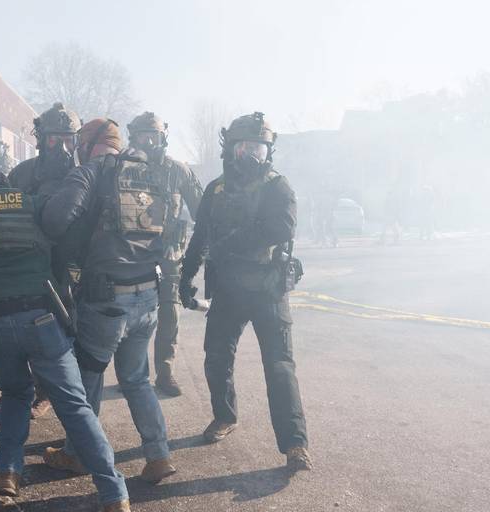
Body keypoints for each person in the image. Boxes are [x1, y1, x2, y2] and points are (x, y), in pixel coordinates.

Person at [0, 169, 132, 512]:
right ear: (9, 187)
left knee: (15, 394)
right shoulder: (33, 204)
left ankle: (7, 475)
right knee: (75, 406)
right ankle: (114, 495)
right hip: (42, 320)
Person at [40, 118, 177, 484]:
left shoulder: (90, 171)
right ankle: (158, 455)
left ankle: (77, 454)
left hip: (105, 298)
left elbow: (55, 220)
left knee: (87, 379)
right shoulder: (152, 173)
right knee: (137, 379)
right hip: (149, 292)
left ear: (86, 145)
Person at [179, 112, 311, 472]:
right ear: (231, 150)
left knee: (280, 368)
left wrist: (235, 242)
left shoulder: (277, 186)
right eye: (245, 147)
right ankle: (225, 416)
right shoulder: (216, 190)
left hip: (268, 290)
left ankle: (295, 445)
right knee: (216, 358)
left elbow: (282, 226)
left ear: (268, 151)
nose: (252, 154)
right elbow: (200, 237)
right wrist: (186, 276)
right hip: (227, 290)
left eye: (259, 147)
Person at [9, 102, 82, 419]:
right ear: (41, 139)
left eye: (69, 139)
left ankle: (68, 392)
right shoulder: (22, 174)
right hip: (31, 263)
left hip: (73, 263)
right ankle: (38, 390)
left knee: (73, 329)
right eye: (55, 139)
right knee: (33, 328)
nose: (63, 148)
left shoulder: (85, 174)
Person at [126, 112, 203, 397]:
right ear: (133, 137)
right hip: (133, 253)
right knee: (132, 313)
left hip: (169, 253)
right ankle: (131, 371)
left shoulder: (178, 170)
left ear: (163, 137)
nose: (148, 141)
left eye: (153, 135)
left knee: (169, 312)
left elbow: (201, 210)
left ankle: (166, 371)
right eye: (142, 135)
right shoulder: (124, 167)